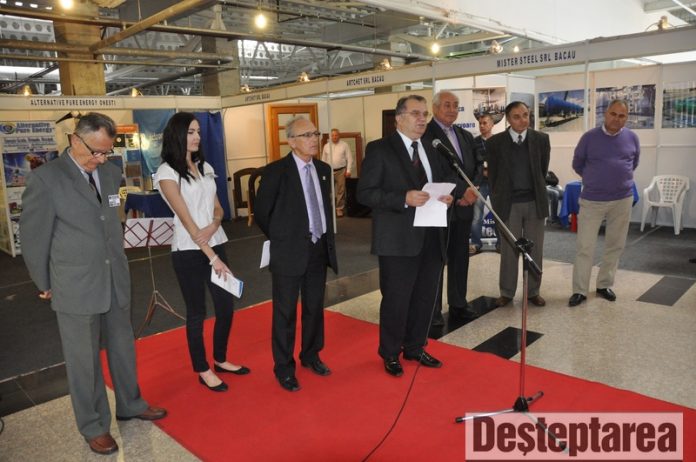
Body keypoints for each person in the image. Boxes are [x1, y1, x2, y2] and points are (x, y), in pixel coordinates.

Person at [20, 112, 166, 456]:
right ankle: (93, 425)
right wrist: (43, 281)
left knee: (123, 347)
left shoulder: (111, 172)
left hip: (114, 277)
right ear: (75, 140)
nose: (100, 159)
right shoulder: (46, 179)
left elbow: (110, 218)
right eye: (95, 151)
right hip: (74, 283)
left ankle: (130, 403)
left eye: (106, 152)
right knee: (83, 360)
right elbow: (34, 236)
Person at [357, 95, 455, 377]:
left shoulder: (431, 147)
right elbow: (365, 193)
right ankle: (390, 352)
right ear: (399, 118)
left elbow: (438, 183)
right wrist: (403, 198)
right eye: (415, 114)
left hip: (431, 236)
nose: (422, 119)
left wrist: (446, 197)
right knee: (396, 300)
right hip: (397, 240)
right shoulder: (380, 149)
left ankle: (415, 346)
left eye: (424, 114)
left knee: (425, 298)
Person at [155, 112, 249, 393]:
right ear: (177, 135)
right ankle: (203, 369)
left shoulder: (205, 166)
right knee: (197, 312)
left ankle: (220, 358)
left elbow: (218, 207)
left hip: (215, 240)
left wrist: (214, 225)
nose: (196, 137)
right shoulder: (166, 172)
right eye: (190, 132)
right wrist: (213, 257)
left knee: (225, 306)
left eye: (198, 131)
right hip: (188, 250)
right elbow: (186, 220)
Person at [254, 116, 338, 392]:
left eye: (316, 133)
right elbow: (263, 213)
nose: (314, 139)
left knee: (314, 308)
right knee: (285, 312)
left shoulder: (323, 169)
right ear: (291, 141)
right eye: (306, 135)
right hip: (289, 251)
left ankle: (311, 355)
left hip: (318, 249)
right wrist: (283, 238)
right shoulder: (275, 171)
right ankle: (284, 367)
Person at [568, 99, 640, 307]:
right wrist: (595, 179)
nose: (617, 119)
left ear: (626, 118)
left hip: (622, 199)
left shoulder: (632, 138)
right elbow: (577, 164)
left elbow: (633, 163)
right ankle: (579, 290)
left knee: (615, 245)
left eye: (622, 115)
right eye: (613, 114)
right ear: (606, 114)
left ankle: (604, 285)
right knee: (585, 246)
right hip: (593, 200)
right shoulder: (589, 138)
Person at [423, 90, 480, 322]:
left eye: (455, 105)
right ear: (435, 108)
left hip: (464, 207)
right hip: (439, 206)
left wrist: (472, 190)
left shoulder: (465, 135)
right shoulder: (426, 134)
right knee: (436, 261)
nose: (452, 109)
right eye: (447, 105)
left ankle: (458, 303)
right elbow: (435, 170)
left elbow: (477, 166)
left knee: (460, 258)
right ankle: (432, 311)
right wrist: (461, 191)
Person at [487, 101, 550, 308]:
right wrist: (498, 199)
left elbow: (542, 170)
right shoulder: (495, 143)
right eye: (516, 116)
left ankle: (533, 292)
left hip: (534, 203)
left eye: (525, 115)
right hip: (508, 204)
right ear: (508, 119)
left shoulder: (541, 139)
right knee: (509, 250)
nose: (523, 120)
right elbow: (493, 176)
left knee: (535, 249)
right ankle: (506, 292)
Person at [471, 113, 498, 253]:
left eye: (485, 123)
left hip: (496, 183)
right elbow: (473, 163)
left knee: (499, 214)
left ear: (492, 124)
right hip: (479, 183)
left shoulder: (499, 141)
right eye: (480, 123)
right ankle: (476, 244)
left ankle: (501, 245)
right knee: (476, 215)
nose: (482, 126)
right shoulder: (474, 142)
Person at [321, 128, 354, 217]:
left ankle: (339, 208)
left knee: (341, 190)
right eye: (332, 135)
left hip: (341, 171)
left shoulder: (344, 145)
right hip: (329, 172)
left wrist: (348, 170)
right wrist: (323, 172)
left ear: (339, 136)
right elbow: (323, 160)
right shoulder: (326, 146)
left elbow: (350, 158)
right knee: (328, 190)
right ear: (330, 136)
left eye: (336, 135)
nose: (334, 137)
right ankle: (328, 208)